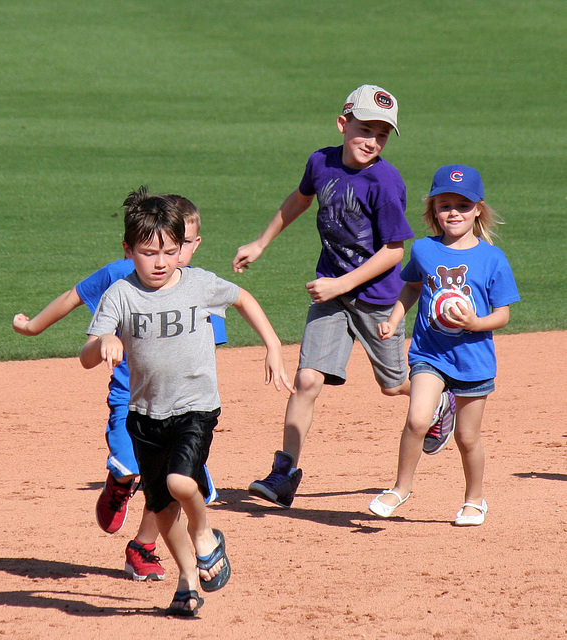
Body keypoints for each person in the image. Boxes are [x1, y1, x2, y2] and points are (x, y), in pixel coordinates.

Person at [232, 83, 455, 509]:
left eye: (382, 134)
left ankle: (439, 398)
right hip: (331, 295)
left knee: (393, 386)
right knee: (307, 380)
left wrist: (341, 283)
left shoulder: (385, 181)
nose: (372, 140)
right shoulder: (321, 162)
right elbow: (298, 200)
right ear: (342, 123)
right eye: (365, 129)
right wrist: (261, 242)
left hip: (377, 300)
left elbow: (394, 251)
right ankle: (284, 474)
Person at [81, 187, 294, 616]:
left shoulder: (198, 283)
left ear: (183, 248)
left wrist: (272, 345)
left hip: (195, 408)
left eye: (170, 251)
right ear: (128, 250)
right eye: (148, 252)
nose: (160, 262)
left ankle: (207, 536)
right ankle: (187, 580)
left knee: (182, 484)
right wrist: (104, 339)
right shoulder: (120, 295)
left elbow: (243, 299)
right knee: (161, 509)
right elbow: (86, 356)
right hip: (145, 415)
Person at [13, 194, 225, 582]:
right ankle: (120, 481)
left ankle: (144, 546)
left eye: (188, 244)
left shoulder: (196, 289)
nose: (176, 255)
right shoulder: (119, 276)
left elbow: (206, 349)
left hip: (179, 404)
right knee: (133, 466)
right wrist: (33, 327)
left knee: (173, 485)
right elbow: (73, 297)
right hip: (132, 398)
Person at [368, 165, 519, 525]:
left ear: (478, 209)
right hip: (429, 354)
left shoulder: (492, 258)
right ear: (433, 209)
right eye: (445, 204)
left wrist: (475, 324)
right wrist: (393, 319)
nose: (454, 212)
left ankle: (475, 499)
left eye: (463, 205)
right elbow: (411, 286)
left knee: (468, 438)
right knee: (418, 419)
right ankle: (400, 488)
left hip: (473, 360)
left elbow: (503, 314)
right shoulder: (423, 250)